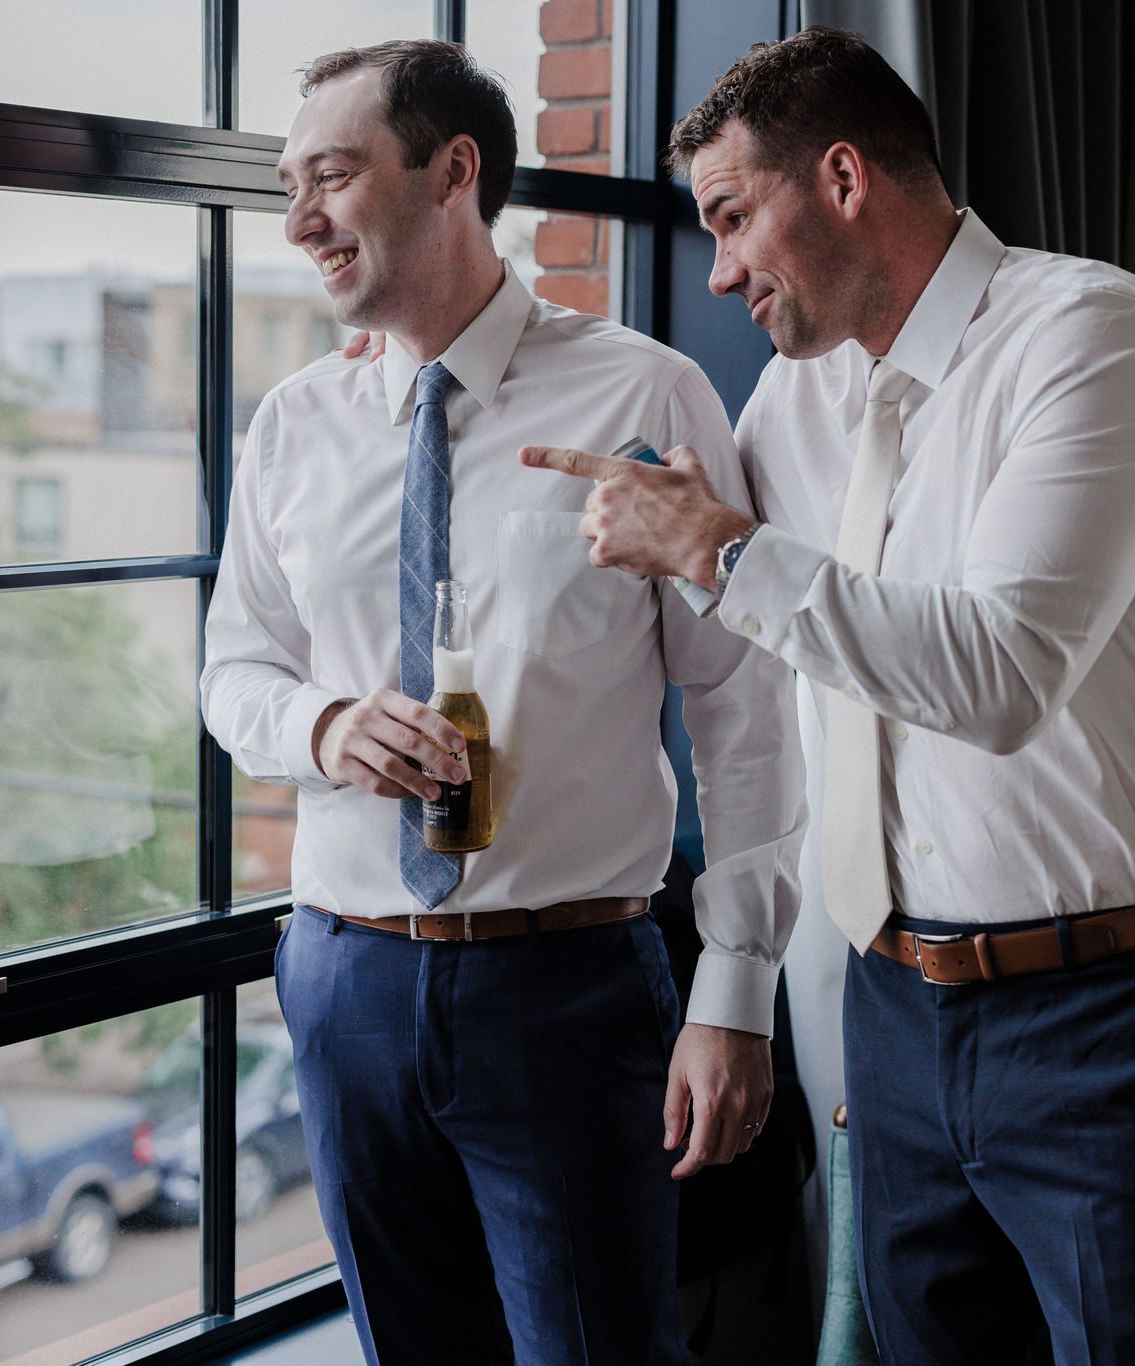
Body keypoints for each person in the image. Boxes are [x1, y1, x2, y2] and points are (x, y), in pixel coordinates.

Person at [522, 27, 1135, 1366]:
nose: (720, 269)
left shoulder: (1095, 336)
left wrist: (709, 544)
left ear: (847, 178)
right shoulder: (801, 410)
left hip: (1118, 1019)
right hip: (894, 1019)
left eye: (735, 217)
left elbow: (995, 676)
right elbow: (717, 615)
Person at [198, 38, 804, 1366]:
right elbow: (231, 672)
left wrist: (740, 992)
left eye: (334, 177)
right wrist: (325, 726)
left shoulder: (647, 393)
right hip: (345, 973)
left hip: (570, 987)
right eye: (289, 185)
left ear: (454, 172)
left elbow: (745, 718)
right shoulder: (293, 423)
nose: (299, 220)